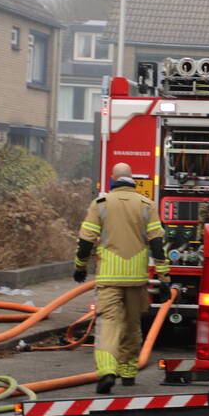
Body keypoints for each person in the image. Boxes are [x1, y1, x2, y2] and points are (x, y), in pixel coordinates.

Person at [74, 163, 170, 394]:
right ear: (132, 179)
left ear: (113, 179)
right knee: (132, 324)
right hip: (137, 278)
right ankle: (128, 372)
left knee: (108, 325)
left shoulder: (101, 205)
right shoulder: (147, 205)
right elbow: (157, 243)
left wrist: (80, 267)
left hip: (109, 277)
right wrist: (164, 277)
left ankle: (107, 371)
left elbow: (86, 239)